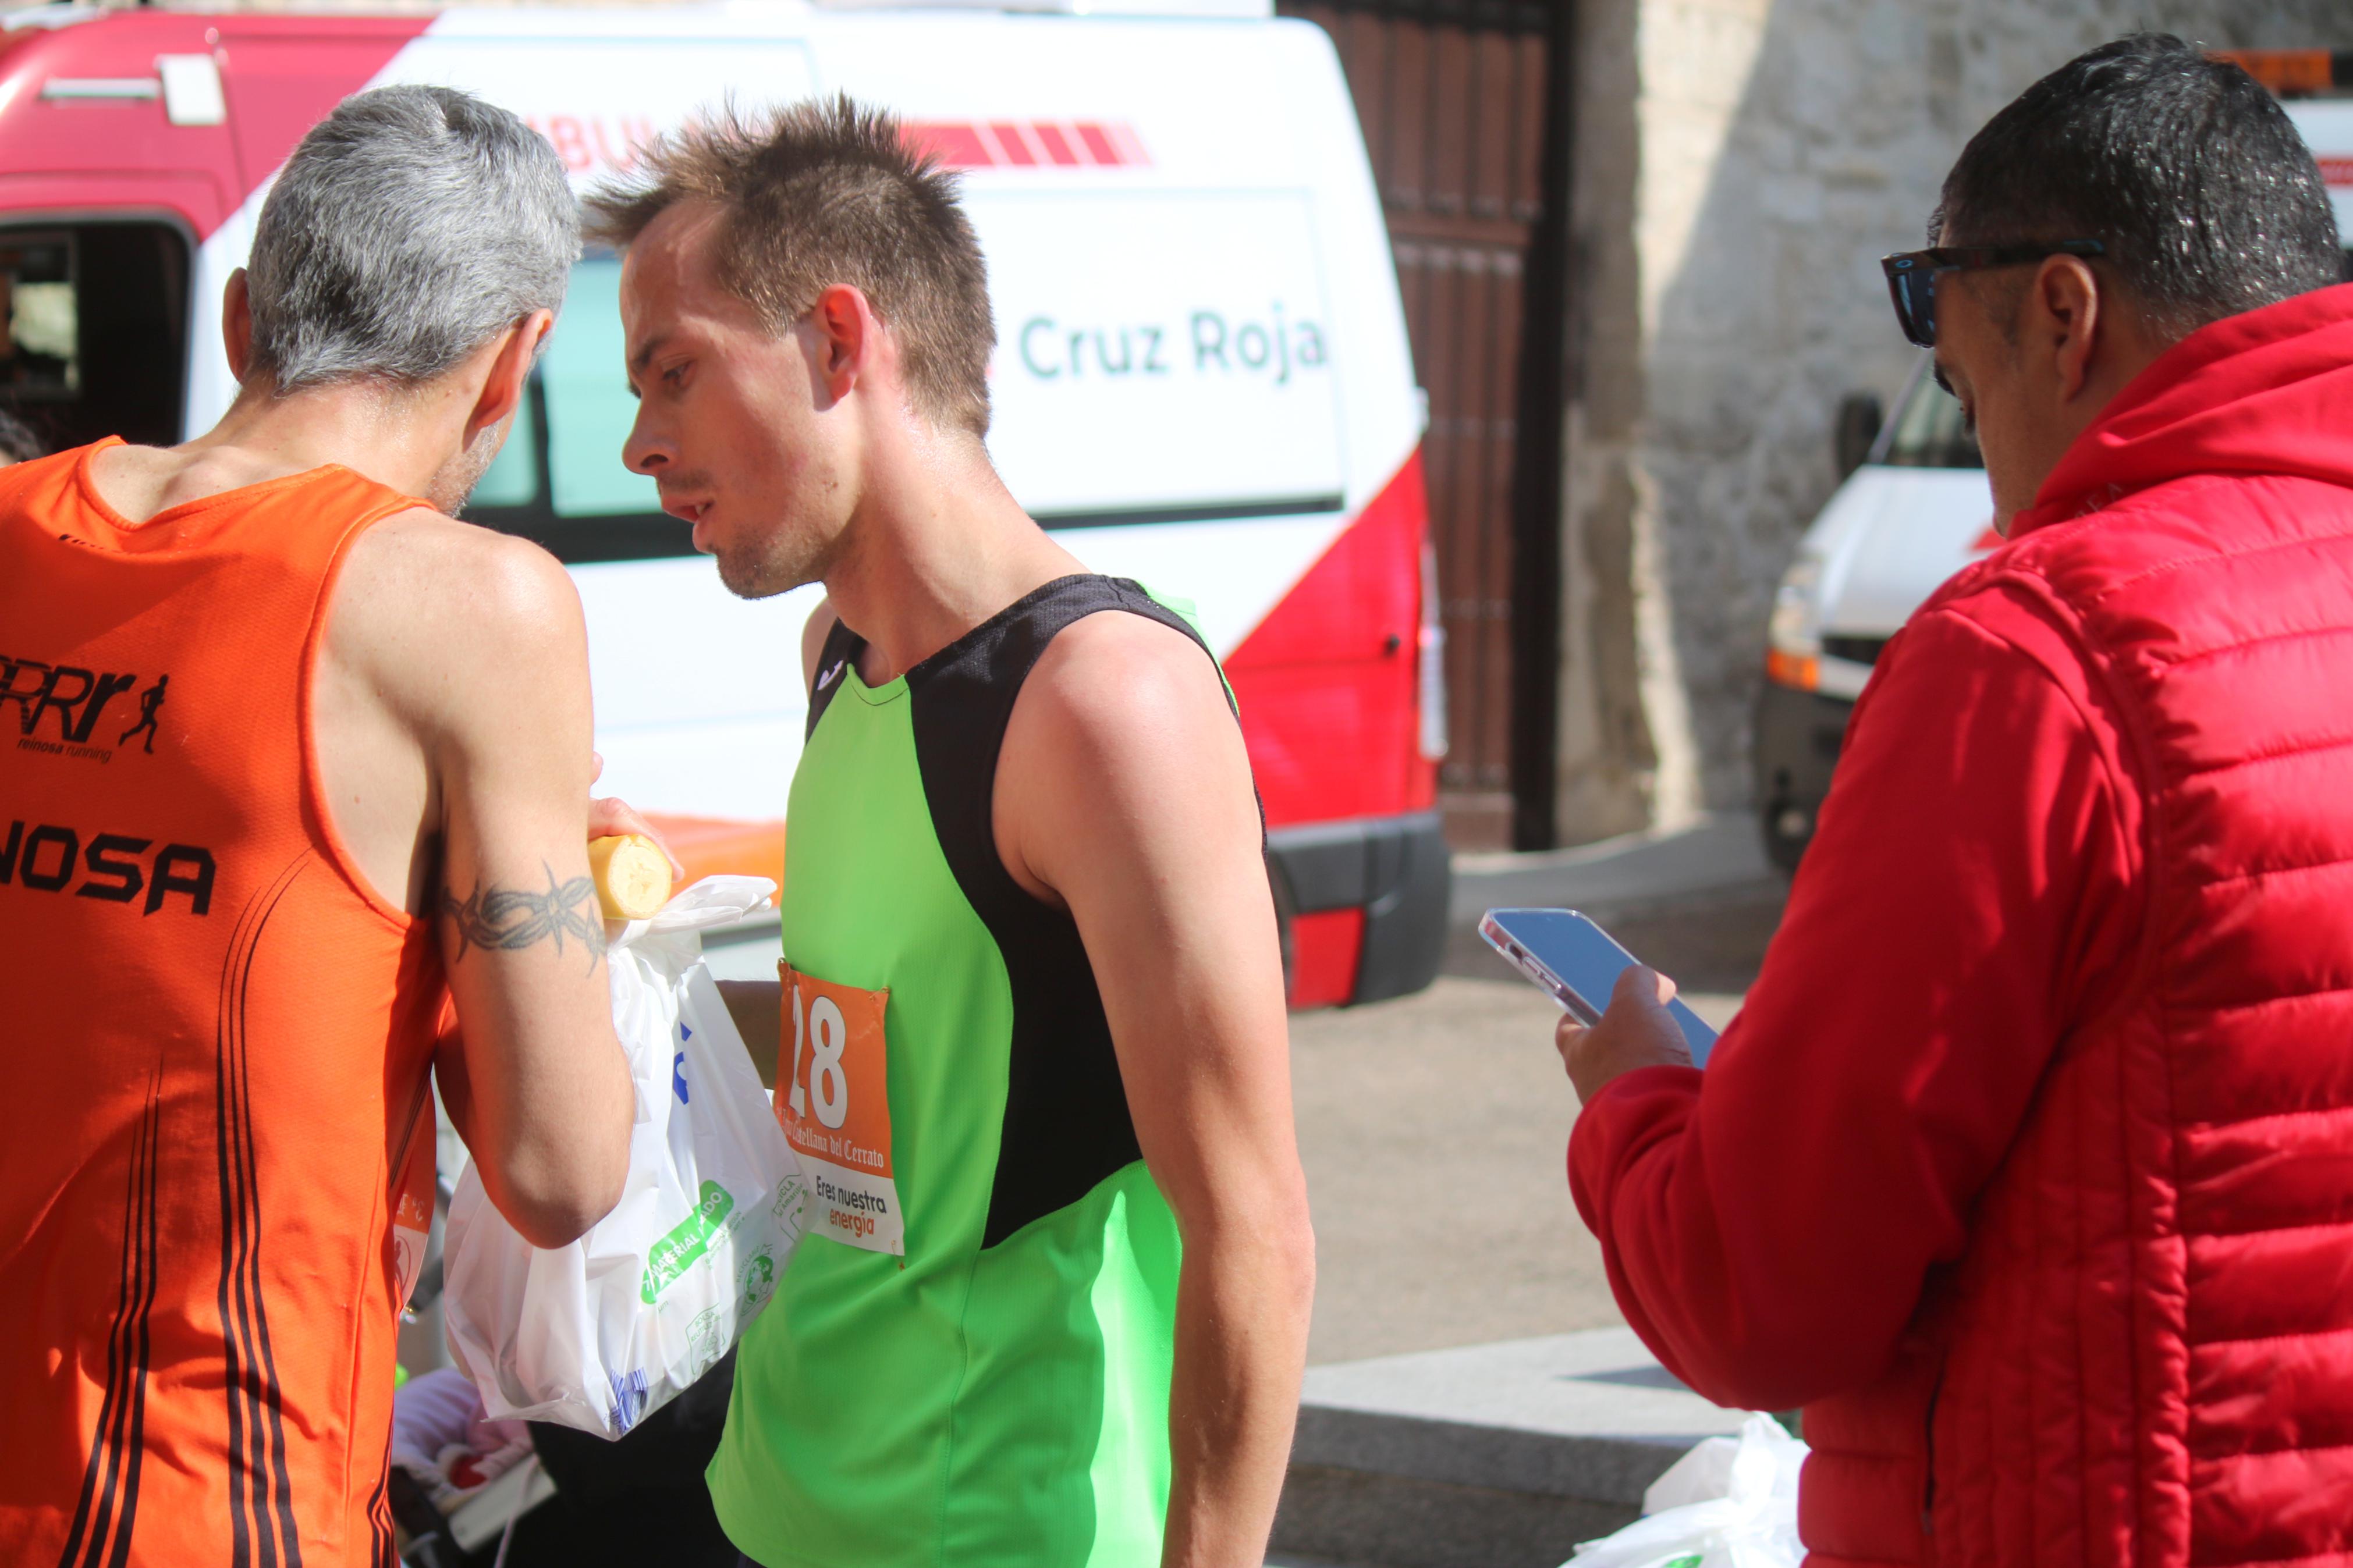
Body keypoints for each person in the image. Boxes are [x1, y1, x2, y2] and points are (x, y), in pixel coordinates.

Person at [1556, 35, 2353, 1568]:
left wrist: (1639, 1102)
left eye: (1960, 382)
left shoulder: (2035, 655)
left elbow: (1758, 1291)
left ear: (2061, 314)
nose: (1985, 466)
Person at [585, 98, 1316, 1568]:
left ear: (836, 343)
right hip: (773, 1497)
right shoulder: (835, 657)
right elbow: (905, 1057)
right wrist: (608, 977)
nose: (640, 444)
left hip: (999, 1527)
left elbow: (1255, 1230)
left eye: (675, 374)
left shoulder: (1106, 703)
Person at [0, 87, 638, 1564]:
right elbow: (560, 1168)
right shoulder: (468, 604)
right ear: (515, 361)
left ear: (242, 321)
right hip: (201, 1492)